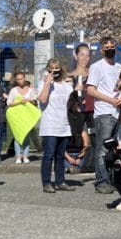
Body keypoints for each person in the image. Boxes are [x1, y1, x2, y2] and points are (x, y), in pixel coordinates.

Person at [87, 36, 121, 194]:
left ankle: (110, 179)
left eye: (112, 46)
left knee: (113, 149)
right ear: (102, 50)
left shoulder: (120, 67)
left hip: (118, 113)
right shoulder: (97, 67)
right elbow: (90, 90)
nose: (110, 49)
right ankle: (101, 181)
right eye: (107, 47)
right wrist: (110, 100)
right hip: (104, 112)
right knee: (102, 149)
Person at [37, 58, 74, 193]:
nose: (54, 71)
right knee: (49, 155)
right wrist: (47, 83)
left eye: (57, 68)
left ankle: (60, 181)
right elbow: (42, 99)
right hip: (50, 125)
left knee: (60, 156)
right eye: (51, 69)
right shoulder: (43, 83)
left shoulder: (67, 86)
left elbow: (72, 105)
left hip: (64, 125)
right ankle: (46, 182)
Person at [7, 71, 36, 163]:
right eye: (18, 79)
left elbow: (35, 102)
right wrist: (19, 101)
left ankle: (25, 156)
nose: (20, 81)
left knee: (26, 137)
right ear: (16, 80)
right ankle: (18, 157)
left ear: (25, 78)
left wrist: (29, 100)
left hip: (27, 117)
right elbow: (9, 103)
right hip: (17, 117)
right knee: (17, 137)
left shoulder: (31, 90)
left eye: (21, 79)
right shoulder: (13, 90)